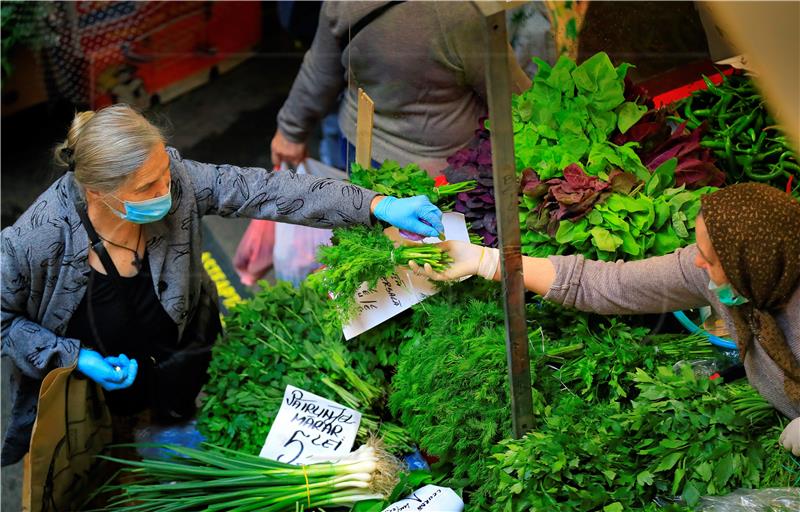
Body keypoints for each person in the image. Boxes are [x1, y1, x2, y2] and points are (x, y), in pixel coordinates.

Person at [0, 104, 445, 467]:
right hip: (96, 390)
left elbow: (266, 190)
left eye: (165, 172)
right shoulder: (36, 240)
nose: (167, 190)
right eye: (147, 186)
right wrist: (76, 358)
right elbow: (3, 321)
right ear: (98, 192)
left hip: (186, 344)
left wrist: (376, 204)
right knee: (114, 458)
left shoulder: (178, 180)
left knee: (184, 421)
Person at [409, 183, 800, 455]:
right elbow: (609, 285)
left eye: (710, 259)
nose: (697, 262)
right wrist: (486, 260)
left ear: (755, 266)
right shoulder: (721, 274)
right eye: (697, 248)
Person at [270, 0, 532, 175]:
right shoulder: (461, 12)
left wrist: (290, 131)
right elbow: (513, 99)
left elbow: (320, 68)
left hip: (361, 151)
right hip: (440, 174)